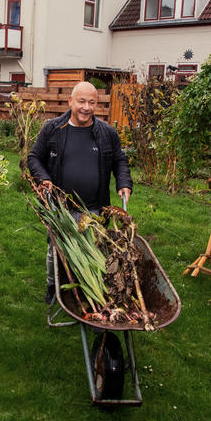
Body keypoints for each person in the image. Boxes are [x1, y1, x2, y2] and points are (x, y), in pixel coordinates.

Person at [27, 81, 132, 303]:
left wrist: (124, 182)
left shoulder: (107, 133)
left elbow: (120, 160)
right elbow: (34, 157)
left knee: (93, 249)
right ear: (70, 101)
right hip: (60, 207)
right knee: (55, 249)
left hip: (94, 207)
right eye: (81, 101)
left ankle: (86, 288)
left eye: (91, 102)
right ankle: (53, 285)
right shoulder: (53, 128)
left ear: (97, 105)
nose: (85, 107)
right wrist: (44, 179)